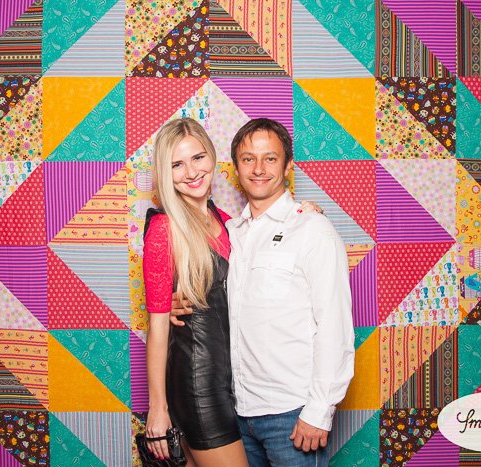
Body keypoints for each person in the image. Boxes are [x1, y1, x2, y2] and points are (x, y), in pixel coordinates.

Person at [172, 118, 355, 466]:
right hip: (238, 412)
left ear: (287, 167)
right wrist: (171, 305)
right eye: (248, 159)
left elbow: (335, 325)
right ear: (235, 168)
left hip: (293, 413)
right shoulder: (231, 232)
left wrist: (319, 410)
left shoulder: (312, 229)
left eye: (270, 158)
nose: (258, 169)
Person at [143, 118, 249, 466]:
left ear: (212, 157)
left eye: (198, 158)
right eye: (177, 164)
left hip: (234, 382)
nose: (191, 172)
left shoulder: (225, 220)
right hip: (198, 383)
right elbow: (158, 326)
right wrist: (157, 409)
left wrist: (302, 213)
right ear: (165, 172)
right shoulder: (164, 228)